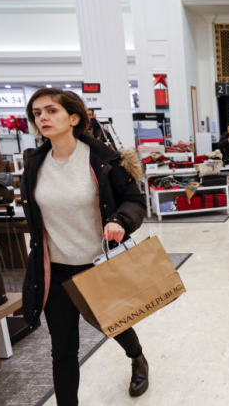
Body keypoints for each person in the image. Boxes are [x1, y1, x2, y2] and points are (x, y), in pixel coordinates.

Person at [20, 88, 149, 406]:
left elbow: (134, 200)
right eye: (37, 113)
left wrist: (120, 219)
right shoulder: (35, 163)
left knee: (115, 323)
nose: (43, 118)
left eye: (51, 110)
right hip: (55, 270)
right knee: (63, 348)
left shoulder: (103, 159)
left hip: (97, 264)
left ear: (73, 118)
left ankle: (137, 358)